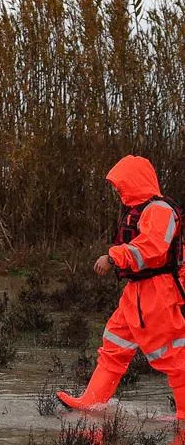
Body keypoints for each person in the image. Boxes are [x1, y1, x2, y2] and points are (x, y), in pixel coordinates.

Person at [57, 154, 185, 417]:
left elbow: (151, 247)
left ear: (134, 181)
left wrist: (114, 257)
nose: (117, 190)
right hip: (136, 293)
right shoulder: (140, 210)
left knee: (172, 356)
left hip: (157, 294)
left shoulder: (159, 210)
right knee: (113, 346)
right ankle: (91, 401)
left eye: (120, 185)